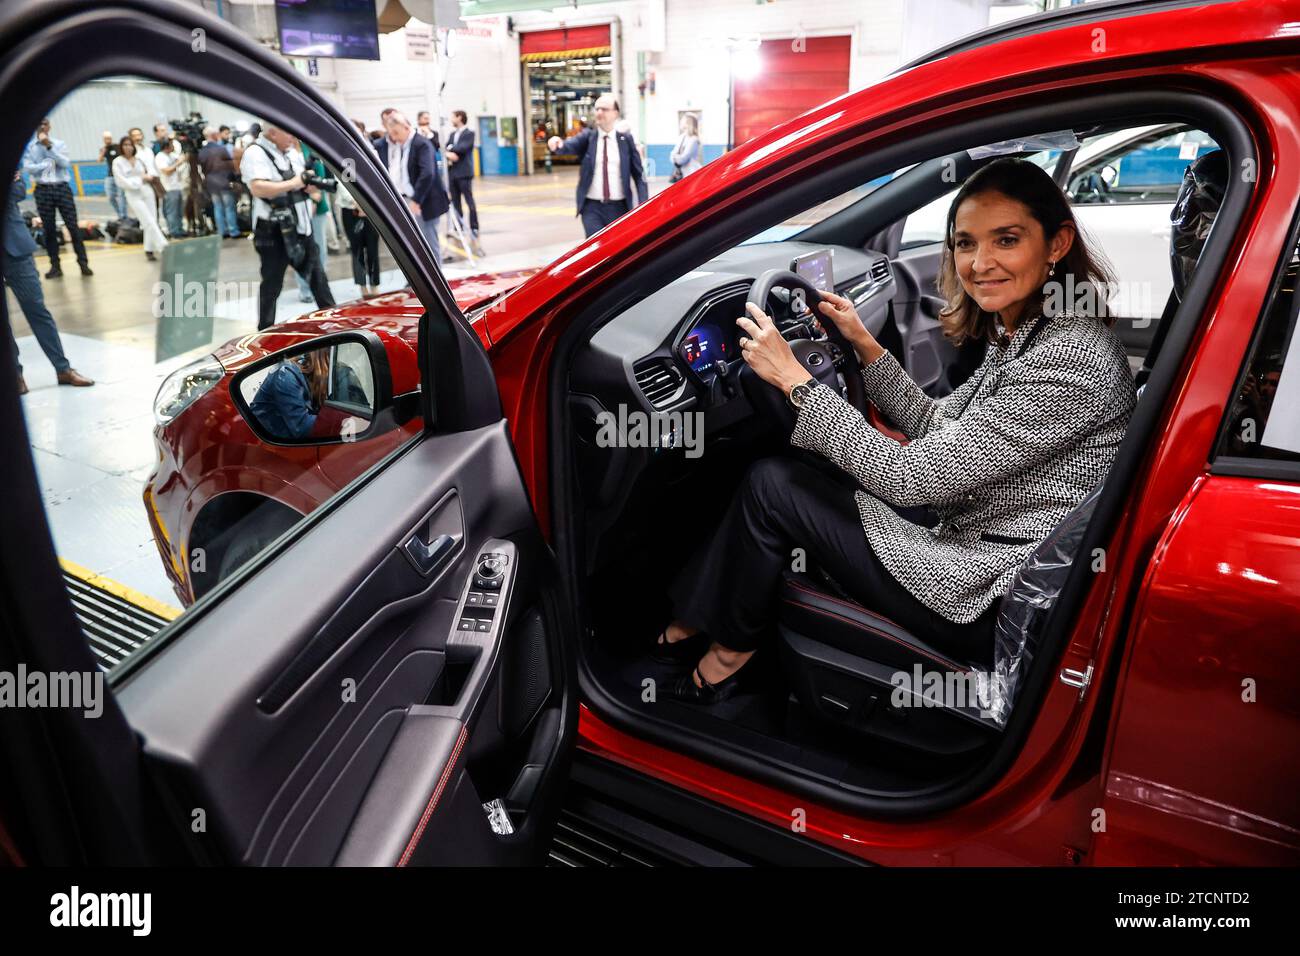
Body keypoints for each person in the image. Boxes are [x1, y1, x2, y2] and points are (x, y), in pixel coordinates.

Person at [654, 158, 1137, 703]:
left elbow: (913, 479)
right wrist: (864, 345)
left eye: (1006, 240)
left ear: (1057, 244)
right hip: (981, 534)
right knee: (810, 467)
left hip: (984, 593)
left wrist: (796, 382)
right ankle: (701, 618)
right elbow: (939, 425)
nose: (980, 263)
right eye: (965, 243)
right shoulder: (1035, 331)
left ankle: (725, 657)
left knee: (771, 484)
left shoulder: (1067, 361)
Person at [239, 121, 335, 330]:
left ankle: (336, 328)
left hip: (301, 227)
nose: (293, 137)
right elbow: (257, 187)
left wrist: (310, 186)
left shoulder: (291, 152)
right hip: (272, 232)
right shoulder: (255, 153)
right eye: (288, 133)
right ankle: (264, 333)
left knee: (319, 280)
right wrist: (294, 183)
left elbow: (302, 183)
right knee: (272, 284)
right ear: (273, 133)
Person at [4, 173, 93, 393]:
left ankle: (63, 369)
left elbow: (17, 191)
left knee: (37, 310)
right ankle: (14, 375)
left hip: (17, 249)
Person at [547, 94, 648, 238]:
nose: (599, 112)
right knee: (596, 245)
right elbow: (569, 146)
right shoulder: (588, 137)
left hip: (620, 208)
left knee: (618, 246)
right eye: (597, 109)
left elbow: (639, 175)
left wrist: (644, 205)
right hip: (592, 208)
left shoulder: (626, 140)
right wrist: (558, 144)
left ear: (615, 113)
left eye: (604, 109)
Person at [21, 118, 92, 278]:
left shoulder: (59, 144)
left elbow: (65, 163)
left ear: (49, 126)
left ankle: (83, 263)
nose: (42, 126)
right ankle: (55, 266)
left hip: (61, 188)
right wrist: (47, 165)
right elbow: (29, 168)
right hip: (43, 190)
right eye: (39, 124)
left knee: (73, 226)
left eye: (45, 124)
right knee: (49, 229)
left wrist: (49, 147)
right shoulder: (30, 147)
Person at [376, 110, 447, 267]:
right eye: (391, 134)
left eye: (396, 133)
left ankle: (437, 276)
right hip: (410, 199)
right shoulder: (404, 145)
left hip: (424, 202)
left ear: (406, 127)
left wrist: (416, 200)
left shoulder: (421, 144)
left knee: (429, 243)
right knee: (416, 243)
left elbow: (427, 174)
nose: (394, 138)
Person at [111, 137, 168, 261]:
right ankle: (164, 247)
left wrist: (147, 177)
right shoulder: (117, 162)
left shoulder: (139, 160)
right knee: (148, 221)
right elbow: (121, 181)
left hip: (147, 191)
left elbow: (151, 173)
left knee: (152, 220)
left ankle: (149, 249)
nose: (128, 147)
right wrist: (139, 179)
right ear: (121, 147)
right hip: (133, 194)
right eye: (125, 145)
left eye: (130, 145)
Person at [250, 350, 327, 440]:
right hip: (264, 443)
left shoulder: (309, 373)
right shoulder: (286, 375)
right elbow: (302, 428)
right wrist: (336, 420)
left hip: (283, 441)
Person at [295, 143, 333, 303]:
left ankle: (319, 285)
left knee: (320, 249)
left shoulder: (309, 146)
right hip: (297, 208)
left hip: (317, 208)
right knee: (301, 251)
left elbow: (320, 175)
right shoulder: (283, 151)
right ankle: (305, 289)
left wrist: (315, 198)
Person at [445, 110, 483, 256]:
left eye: (453, 117)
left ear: (459, 117)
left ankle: (474, 226)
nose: (451, 119)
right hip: (452, 173)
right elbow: (446, 147)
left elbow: (462, 148)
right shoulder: (452, 134)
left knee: (469, 201)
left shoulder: (469, 133)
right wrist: (449, 152)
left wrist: (450, 150)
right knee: (456, 202)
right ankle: (458, 227)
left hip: (464, 173)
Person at [198, 126, 239, 239]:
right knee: (229, 207)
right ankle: (233, 231)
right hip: (224, 182)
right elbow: (230, 165)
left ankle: (222, 231)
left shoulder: (202, 151)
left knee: (218, 207)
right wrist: (234, 179)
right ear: (214, 135)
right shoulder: (221, 149)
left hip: (211, 183)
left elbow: (202, 169)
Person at [154, 135, 187, 237]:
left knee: (179, 211)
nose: (173, 146)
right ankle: (174, 231)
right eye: (171, 144)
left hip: (177, 186)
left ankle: (180, 229)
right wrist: (178, 163)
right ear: (166, 145)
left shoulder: (172, 155)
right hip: (168, 188)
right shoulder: (160, 157)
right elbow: (166, 171)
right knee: (171, 211)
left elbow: (183, 158)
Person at [98, 131, 127, 219]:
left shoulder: (117, 147)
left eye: (109, 138)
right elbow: (99, 160)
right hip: (110, 175)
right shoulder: (103, 149)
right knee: (110, 196)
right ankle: (119, 214)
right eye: (106, 138)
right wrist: (103, 152)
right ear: (103, 139)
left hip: (120, 175)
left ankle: (123, 216)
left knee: (121, 196)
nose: (108, 140)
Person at [669, 113, 702, 180]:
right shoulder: (681, 137)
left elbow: (683, 159)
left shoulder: (694, 139)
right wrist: (675, 157)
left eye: (683, 120)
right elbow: (672, 156)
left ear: (688, 123)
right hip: (682, 174)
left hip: (692, 173)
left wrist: (675, 156)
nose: (681, 122)